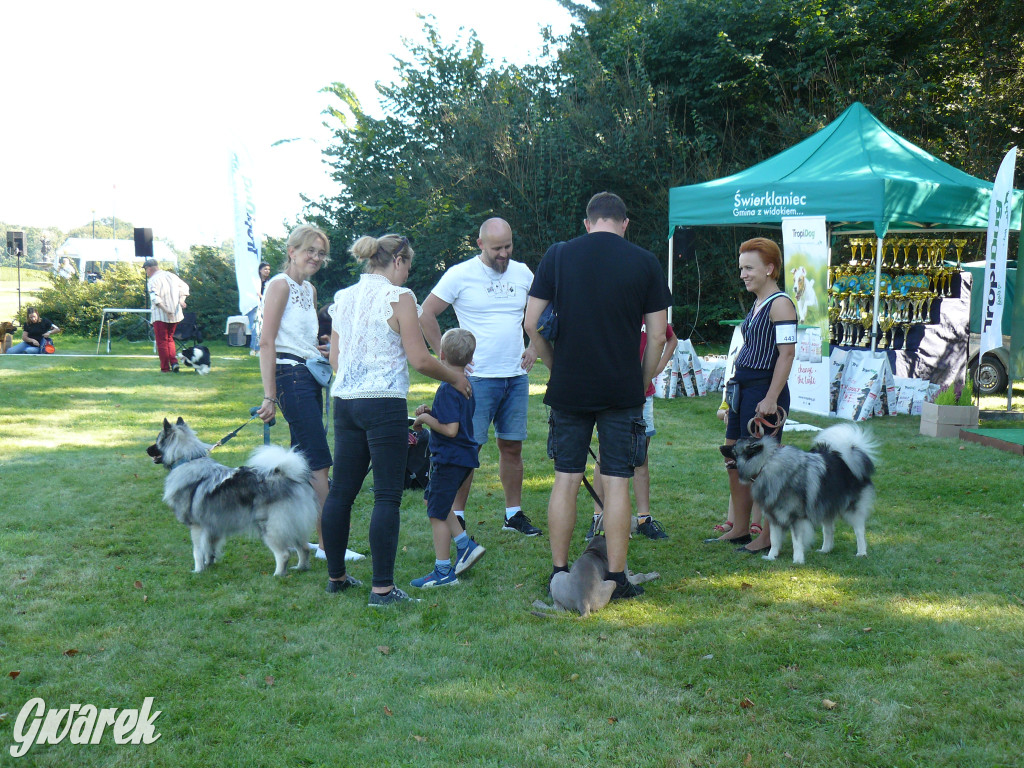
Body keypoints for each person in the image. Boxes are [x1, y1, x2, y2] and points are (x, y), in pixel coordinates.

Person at [525, 192, 671, 602]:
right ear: (625, 224)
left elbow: (531, 322)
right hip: (621, 388)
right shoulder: (645, 261)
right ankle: (619, 577)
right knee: (618, 482)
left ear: (587, 223)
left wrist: (555, 367)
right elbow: (658, 334)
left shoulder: (557, 255)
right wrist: (640, 381)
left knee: (566, 479)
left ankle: (558, 571)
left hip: (570, 386)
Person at [320, 234, 472, 607]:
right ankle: (383, 590)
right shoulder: (399, 298)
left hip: (346, 402)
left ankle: (336, 577)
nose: (408, 274)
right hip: (383, 402)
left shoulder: (343, 298)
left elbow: (335, 360)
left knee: (341, 492)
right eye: (408, 265)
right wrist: (455, 377)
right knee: (386, 496)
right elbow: (420, 359)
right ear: (398, 260)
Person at [419, 217, 540, 536]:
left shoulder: (523, 272)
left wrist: (535, 345)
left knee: (512, 447)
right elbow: (426, 312)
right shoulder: (461, 274)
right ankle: (456, 517)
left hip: (515, 377)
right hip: (474, 381)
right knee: (465, 450)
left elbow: (544, 310)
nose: (504, 254)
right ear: (480, 244)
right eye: (497, 248)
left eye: (508, 246)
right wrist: (442, 359)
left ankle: (513, 515)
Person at [706, 237, 796, 555]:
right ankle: (741, 527)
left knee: (761, 466)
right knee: (734, 459)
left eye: (749, 268)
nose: (743, 274)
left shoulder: (781, 303)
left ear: (770, 268)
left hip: (763, 391)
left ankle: (769, 535)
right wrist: (732, 401)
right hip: (743, 390)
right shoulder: (758, 303)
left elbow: (786, 355)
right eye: (741, 268)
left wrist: (771, 398)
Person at [255, 225, 332, 555]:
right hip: (290, 377)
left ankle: (300, 541)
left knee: (300, 465)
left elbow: (303, 339)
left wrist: (323, 350)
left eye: (320, 252)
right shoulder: (279, 285)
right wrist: (269, 395)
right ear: (291, 251)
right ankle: (331, 547)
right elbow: (267, 341)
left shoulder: (310, 290)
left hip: (309, 375)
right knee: (318, 464)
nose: (315, 257)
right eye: (309, 250)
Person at [409, 328, 486, 588]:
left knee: (437, 512)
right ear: (470, 358)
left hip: (450, 458)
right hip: (461, 457)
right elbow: (454, 418)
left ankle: (443, 571)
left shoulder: (448, 388)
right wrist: (432, 411)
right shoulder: (464, 385)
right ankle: (465, 546)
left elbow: (450, 430)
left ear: (440, 354)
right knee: (433, 499)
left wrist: (425, 419)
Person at [588, 321, 678, 539]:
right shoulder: (614, 305)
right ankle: (598, 518)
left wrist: (657, 367)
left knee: (640, 457)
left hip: (643, 393)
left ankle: (643, 519)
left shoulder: (651, 313)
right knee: (605, 455)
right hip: (612, 392)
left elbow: (670, 339)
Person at [143, 259, 190, 372]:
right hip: (175, 313)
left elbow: (155, 298)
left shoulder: (152, 280)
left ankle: (165, 368)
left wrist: (166, 310)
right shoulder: (171, 275)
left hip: (161, 314)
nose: (146, 273)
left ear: (149, 268)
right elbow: (184, 288)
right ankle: (174, 362)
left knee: (162, 341)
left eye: (146, 270)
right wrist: (181, 300)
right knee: (169, 339)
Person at [249, 260, 272, 355]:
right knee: (256, 327)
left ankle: (260, 348)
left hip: (266, 307)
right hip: (254, 306)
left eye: (268, 269)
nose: (267, 271)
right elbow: (256, 294)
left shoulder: (270, 282)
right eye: (265, 269)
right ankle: (255, 349)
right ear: (260, 270)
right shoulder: (255, 281)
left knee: (264, 328)